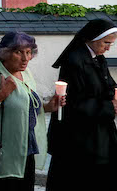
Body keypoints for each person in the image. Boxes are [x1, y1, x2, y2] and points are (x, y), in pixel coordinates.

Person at [0, 31, 63, 191]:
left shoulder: (24, 72)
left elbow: (25, 105)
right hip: (1, 151)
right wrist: (2, 93)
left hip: (26, 146)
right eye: (18, 52)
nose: (26, 58)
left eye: (28, 52)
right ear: (4, 53)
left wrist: (48, 107)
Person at [46, 19, 116, 189]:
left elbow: (108, 84)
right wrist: (110, 106)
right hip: (78, 135)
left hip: (97, 130)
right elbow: (74, 102)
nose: (108, 48)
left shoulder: (98, 58)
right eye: (106, 43)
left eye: (111, 44)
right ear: (92, 38)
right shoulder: (74, 61)